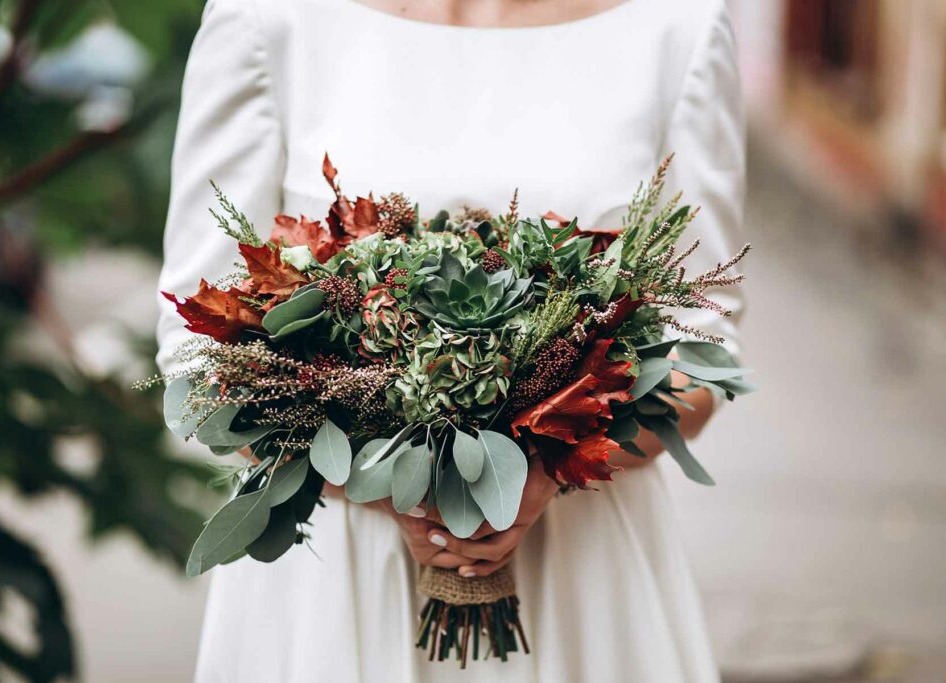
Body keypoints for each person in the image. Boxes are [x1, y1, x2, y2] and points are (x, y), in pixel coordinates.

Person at [156, 0, 746, 680]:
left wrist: (546, 468)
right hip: (336, 586)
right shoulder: (269, 18)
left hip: (581, 578)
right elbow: (199, 351)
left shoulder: (678, 26)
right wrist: (395, 486)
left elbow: (705, 341)